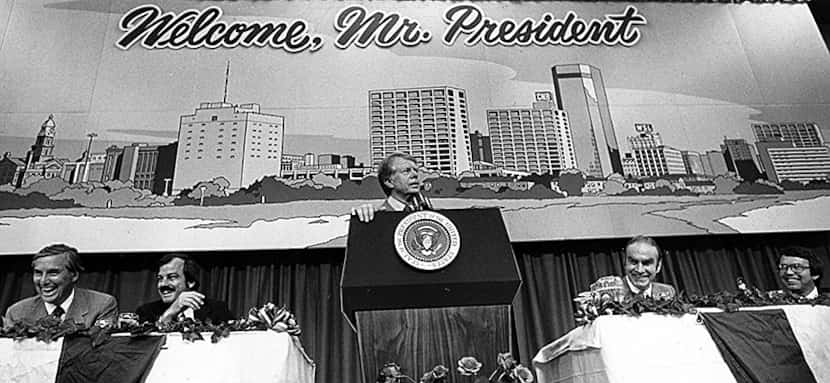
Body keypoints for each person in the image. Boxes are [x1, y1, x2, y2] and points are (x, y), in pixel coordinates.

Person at [3, 244, 118, 329]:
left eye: (53, 273)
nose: (43, 281)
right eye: (38, 273)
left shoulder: (102, 305)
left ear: (74, 275)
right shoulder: (17, 313)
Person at [135, 253, 234, 325]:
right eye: (160, 279)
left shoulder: (217, 310)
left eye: (172, 277)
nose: (163, 284)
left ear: (191, 282)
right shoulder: (146, 312)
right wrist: (170, 313)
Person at [351, 152, 433, 222]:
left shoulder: (427, 212)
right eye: (406, 171)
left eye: (415, 170)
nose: (414, 175)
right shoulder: (377, 217)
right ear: (389, 182)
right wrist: (361, 215)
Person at [618, 235, 676, 299]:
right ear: (624, 262)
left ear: (658, 265)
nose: (639, 270)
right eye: (633, 262)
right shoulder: (610, 293)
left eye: (646, 263)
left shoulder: (668, 292)